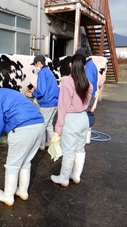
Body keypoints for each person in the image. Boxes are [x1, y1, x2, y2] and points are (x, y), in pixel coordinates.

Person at [0, 80, 45, 206]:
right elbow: (11, 111)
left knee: (12, 165)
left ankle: (8, 196)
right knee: (25, 162)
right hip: (39, 124)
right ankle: (23, 192)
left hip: (22, 129)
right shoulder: (6, 92)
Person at [51, 53, 93, 187]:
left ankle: (64, 178)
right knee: (80, 148)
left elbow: (62, 108)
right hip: (84, 118)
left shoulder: (67, 83)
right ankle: (76, 175)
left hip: (71, 119)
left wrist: (58, 128)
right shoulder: (88, 84)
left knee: (68, 150)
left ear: (70, 64)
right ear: (84, 66)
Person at [26, 55, 59, 150]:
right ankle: (51, 144)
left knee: (41, 125)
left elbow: (41, 91)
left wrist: (32, 94)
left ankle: (41, 146)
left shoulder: (42, 73)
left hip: (47, 103)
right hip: (53, 102)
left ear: (39, 63)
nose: (36, 66)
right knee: (48, 125)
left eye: (36, 64)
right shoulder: (49, 72)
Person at [75, 48, 98, 144]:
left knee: (85, 114)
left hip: (88, 95)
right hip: (92, 94)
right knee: (87, 113)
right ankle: (87, 137)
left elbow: (86, 85)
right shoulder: (92, 64)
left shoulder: (88, 67)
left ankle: (85, 137)